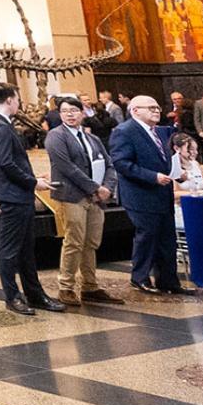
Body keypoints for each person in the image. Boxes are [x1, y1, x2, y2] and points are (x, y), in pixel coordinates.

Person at [0, 84, 63, 316]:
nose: (19, 103)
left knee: (26, 248)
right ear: (9, 100)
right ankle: (13, 296)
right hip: (12, 195)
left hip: (18, 193)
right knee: (9, 250)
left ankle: (35, 294)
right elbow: (5, 162)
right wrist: (32, 182)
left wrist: (32, 178)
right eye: (17, 99)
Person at [44, 96, 122, 307]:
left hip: (95, 199)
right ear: (60, 115)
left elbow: (109, 164)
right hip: (72, 196)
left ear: (82, 112)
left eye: (74, 110)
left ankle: (90, 285)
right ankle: (66, 287)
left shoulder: (92, 138)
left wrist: (107, 187)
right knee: (74, 241)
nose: (70, 114)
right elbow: (67, 167)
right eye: (65, 111)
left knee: (91, 242)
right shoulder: (55, 137)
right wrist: (95, 187)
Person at [109, 95, 191, 295]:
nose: (156, 111)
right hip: (141, 194)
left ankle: (169, 281)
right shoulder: (124, 131)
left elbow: (163, 160)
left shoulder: (159, 131)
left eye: (157, 108)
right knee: (147, 237)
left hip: (162, 194)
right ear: (135, 110)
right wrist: (152, 177)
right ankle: (140, 278)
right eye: (151, 108)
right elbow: (121, 163)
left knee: (167, 239)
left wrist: (176, 174)